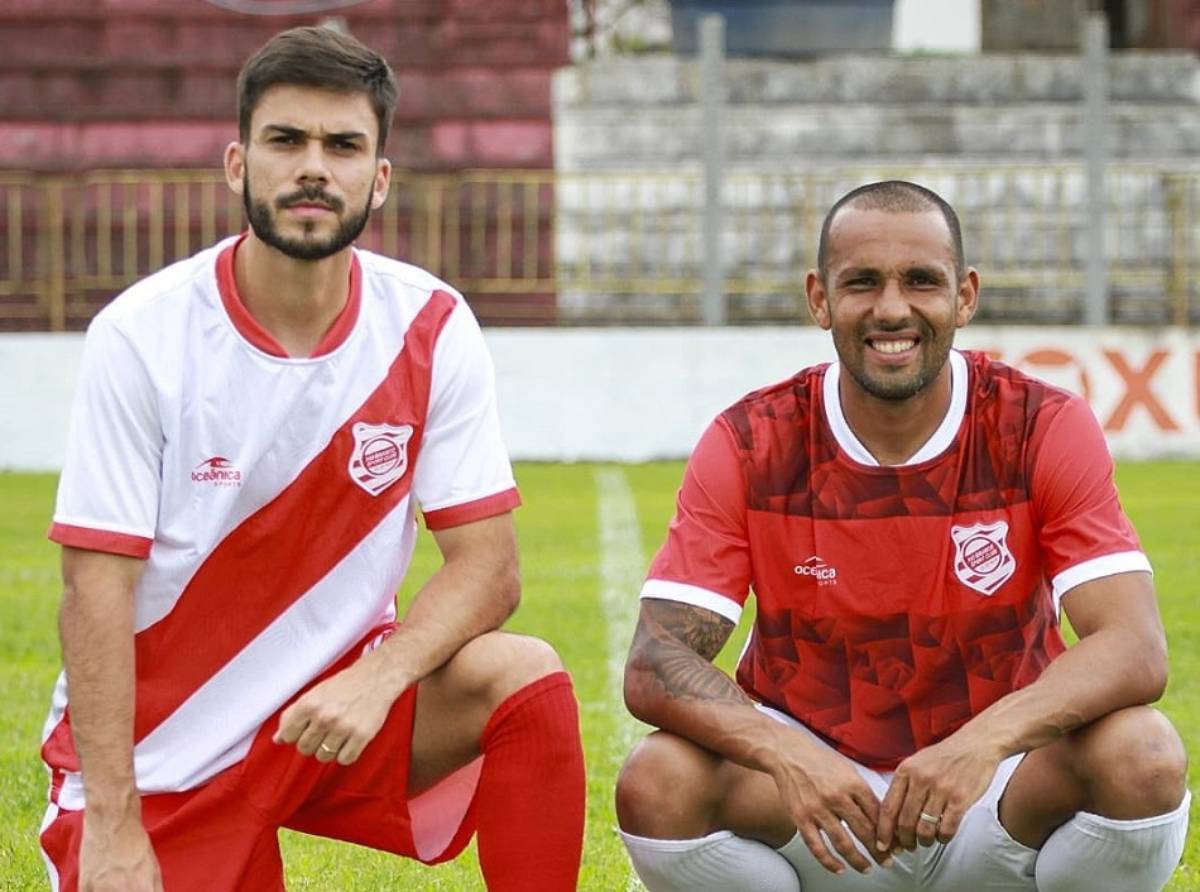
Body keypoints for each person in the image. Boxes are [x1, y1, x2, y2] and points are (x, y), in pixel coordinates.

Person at [38, 25, 584, 892]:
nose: (313, 169)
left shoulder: (429, 324)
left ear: (380, 180)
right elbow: (92, 593)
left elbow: (490, 570)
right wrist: (113, 820)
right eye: (285, 140)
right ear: (236, 164)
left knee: (521, 677)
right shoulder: (142, 336)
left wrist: (381, 676)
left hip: (332, 718)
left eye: (343, 145)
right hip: (171, 750)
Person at [615, 180, 1190, 892]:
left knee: (1144, 754)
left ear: (965, 296)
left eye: (921, 281)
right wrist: (788, 753)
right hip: (823, 812)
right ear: (820, 298)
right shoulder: (750, 441)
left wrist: (982, 743)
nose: (892, 309)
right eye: (862, 282)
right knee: (658, 780)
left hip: (995, 794)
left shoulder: (1040, 424)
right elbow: (655, 660)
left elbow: (1135, 647)